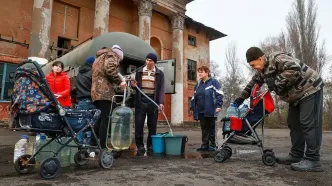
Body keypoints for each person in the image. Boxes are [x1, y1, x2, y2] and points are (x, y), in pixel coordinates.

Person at [234, 47, 324, 172]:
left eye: (254, 64)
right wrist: (240, 98)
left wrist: (275, 81)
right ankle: (296, 155)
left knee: (308, 124)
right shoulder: (262, 71)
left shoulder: (277, 58)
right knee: (294, 124)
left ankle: (313, 160)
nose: (253, 67)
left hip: (310, 88)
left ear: (261, 58)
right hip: (295, 95)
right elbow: (252, 84)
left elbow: (294, 69)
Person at [90, 46, 127, 149]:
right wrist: (121, 81)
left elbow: (103, 74)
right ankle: (103, 146)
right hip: (105, 93)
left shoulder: (99, 58)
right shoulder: (112, 55)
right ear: (118, 55)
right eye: (119, 60)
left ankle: (92, 145)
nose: (118, 62)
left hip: (96, 93)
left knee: (99, 120)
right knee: (105, 121)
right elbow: (109, 70)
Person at [130, 53, 165, 152]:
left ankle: (150, 145)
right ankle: (140, 145)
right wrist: (132, 85)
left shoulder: (159, 73)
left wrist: (161, 102)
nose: (148, 62)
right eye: (147, 60)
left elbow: (162, 89)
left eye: (151, 61)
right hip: (141, 100)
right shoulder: (139, 71)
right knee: (139, 124)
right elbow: (133, 86)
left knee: (152, 125)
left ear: (154, 62)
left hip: (153, 101)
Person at [190, 66, 223, 151]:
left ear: (207, 72)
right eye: (199, 72)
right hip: (201, 110)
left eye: (202, 72)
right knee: (204, 127)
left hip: (211, 109)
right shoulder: (198, 84)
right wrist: (192, 107)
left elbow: (219, 93)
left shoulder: (213, 82)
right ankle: (205, 145)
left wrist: (219, 105)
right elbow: (194, 97)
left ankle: (213, 145)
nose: (200, 73)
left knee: (212, 127)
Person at [75, 56, 96, 144]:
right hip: (90, 101)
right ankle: (88, 146)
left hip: (81, 101)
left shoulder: (79, 73)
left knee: (80, 124)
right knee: (91, 125)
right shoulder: (92, 72)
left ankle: (79, 145)